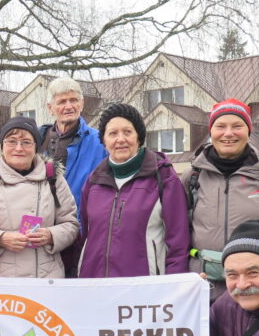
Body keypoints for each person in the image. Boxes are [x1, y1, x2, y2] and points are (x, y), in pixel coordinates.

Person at [186, 98, 259, 301]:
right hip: (205, 287)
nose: (228, 133)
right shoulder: (192, 177)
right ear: (211, 132)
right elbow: (179, 231)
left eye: (237, 126)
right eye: (220, 126)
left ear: (248, 131)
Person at [75, 103, 190, 277]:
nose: (120, 139)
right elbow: (86, 235)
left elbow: (178, 242)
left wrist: (174, 287)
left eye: (127, 132)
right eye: (113, 133)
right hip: (96, 288)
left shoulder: (164, 177)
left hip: (144, 291)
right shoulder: (94, 182)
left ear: (138, 137)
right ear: (104, 141)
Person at [0, 116, 78, 277]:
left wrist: (51, 235)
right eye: (11, 141)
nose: (18, 148)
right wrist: (0, 239)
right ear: (2, 145)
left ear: (36, 147)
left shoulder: (53, 177)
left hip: (46, 278)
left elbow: (71, 224)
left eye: (26, 142)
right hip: (1, 281)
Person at [38, 77, 107, 207]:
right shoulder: (37, 140)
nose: (69, 106)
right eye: (62, 102)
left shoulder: (101, 141)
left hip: (81, 221)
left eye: (73, 100)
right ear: (50, 108)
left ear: (81, 103)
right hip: (43, 222)